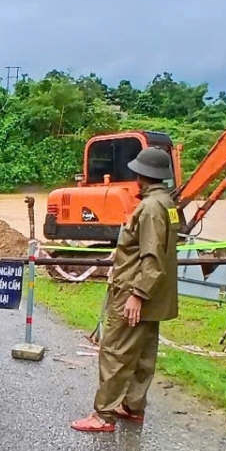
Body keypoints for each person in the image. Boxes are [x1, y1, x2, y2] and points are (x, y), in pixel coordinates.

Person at [71, 146, 179, 433]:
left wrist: (137, 294)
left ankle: (103, 414)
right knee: (143, 351)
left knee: (115, 351)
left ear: (142, 174)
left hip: (137, 290)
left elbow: (152, 256)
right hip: (156, 294)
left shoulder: (150, 207)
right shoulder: (167, 203)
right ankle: (133, 405)